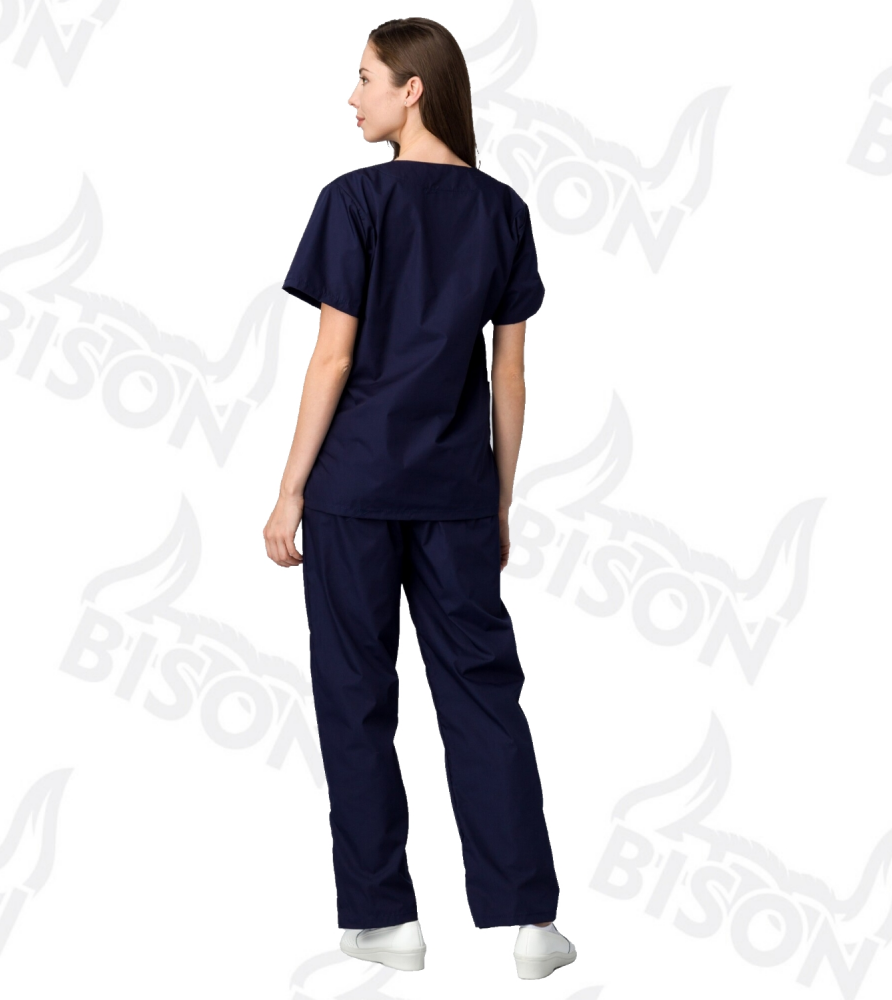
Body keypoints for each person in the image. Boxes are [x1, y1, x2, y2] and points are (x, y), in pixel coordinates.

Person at [264, 17, 576, 981]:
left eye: (365, 78)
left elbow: (333, 359)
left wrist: (288, 491)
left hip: (353, 489)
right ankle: (531, 923)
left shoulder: (354, 201)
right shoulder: (503, 211)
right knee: (483, 696)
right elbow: (510, 377)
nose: (351, 96)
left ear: (414, 90)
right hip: (456, 495)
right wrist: (500, 500)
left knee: (355, 698)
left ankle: (385, 921)